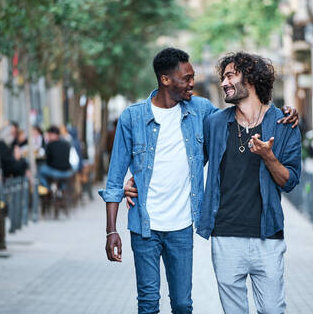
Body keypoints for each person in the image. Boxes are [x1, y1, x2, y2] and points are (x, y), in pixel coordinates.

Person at [101, 47, 298, 314]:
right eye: (187, 78)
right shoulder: (139, 118)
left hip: (204, 227)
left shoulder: (205, 111)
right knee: (148, 302)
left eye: (230, 76)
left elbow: (246, 114)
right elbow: (122, 177)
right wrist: (115, 223)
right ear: (165, 79)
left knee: (185, 304)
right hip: (168, 227)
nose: (195, 82)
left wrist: (283, 118)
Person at [197, 52, 301, 313]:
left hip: (268, 236)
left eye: (230, 76)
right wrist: (139, 180)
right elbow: (191, 162)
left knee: (272, 310)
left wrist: (269, 157)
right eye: (223, 78)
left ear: (251, 78)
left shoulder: (283, 124)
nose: (223, 83)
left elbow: (289, 181)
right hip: (225, 236)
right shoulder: (215, 123)